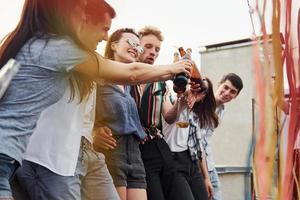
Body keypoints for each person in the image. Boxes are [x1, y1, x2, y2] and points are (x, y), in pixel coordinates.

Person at [0, 0, 191, 199]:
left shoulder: (32, 44)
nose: (106, 35)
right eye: (80, 12)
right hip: (27, 158)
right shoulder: (56, 47)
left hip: (14, 160)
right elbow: (131, 73)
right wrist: (173, 68)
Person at [94, 28, 148, 200]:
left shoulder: (130, 86)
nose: (135, 48)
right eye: (131, 42)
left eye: (138, 46)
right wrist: (94, 131)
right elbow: (84, 111)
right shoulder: (98, 76)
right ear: (114, 45)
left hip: (134, 153)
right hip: (111, 150)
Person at [163, 77, 218, 200]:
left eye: (202, 90)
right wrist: (184, 96)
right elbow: (169, 117)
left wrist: (206, 178)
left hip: (191, 162)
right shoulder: (173, 101)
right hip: (173, 160)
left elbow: (199, 147)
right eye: (196, 86)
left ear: (204, 96)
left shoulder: (194, 117)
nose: (197, 91)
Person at [201, 73, 243, 200]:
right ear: (219, 84)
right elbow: (198, 141)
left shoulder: (222, 110)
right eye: (225, 87)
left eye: (232, 92)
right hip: (198, 165)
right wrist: (205, 176)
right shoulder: (202, 103)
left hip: (210, 165)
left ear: (236, 96)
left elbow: (206, 141)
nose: (227, 93)